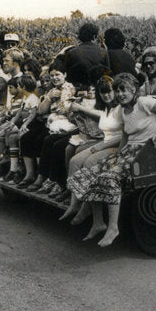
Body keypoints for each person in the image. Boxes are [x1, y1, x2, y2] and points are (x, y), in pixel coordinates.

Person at [66, 73, 156, 247]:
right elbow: (126, 135)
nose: (120, 94)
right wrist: (117, 157)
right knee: (88, 174)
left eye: (123, 89)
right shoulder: (123, 110)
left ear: (133, 90)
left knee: (109, 178)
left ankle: (113, 228)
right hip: (127, 152)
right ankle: (98, 222)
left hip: (144, 152)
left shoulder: (144, 103)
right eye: (117, 90)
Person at [59, 75, 126, 217]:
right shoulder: (105, 108)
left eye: (109, 91)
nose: (106, 95)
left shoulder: (121, 108)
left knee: (88, 162)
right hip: (104, 143)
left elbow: (123, 135)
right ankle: (74, 203)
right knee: (74, 161)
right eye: (102, 92)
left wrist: (100, 146)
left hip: (115, 145)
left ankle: (86, 205)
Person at [59, 22, 107, 89]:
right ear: (94, 36)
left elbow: (67, 75)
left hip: (76, 90)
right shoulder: (103, 52)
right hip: (97, 91)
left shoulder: (71, 53)